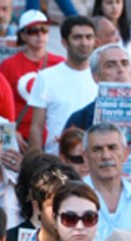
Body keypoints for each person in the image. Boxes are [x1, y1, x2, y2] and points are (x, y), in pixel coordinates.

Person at [27, 16, 96, 154]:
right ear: (64, 42)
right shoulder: (46, 77)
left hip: (94, 158)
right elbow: (36, 126)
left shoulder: (103, 78)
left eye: (89, 37)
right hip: (56, 158)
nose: (84, 43)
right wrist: (36, 161)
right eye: (77, 37)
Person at [0, 10, 62, 142]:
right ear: (23, 35)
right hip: (21, 137)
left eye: (44, 30)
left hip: (53, 138)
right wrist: (10, 132)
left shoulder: (60, 63)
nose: (39, 35)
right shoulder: (8, 65)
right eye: (33, 31)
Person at [92, 0, 131, 81]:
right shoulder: (91, 30)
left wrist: (130, 87)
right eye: (109, 3)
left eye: (118, 2)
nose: (114, 7)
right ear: (100, 5)